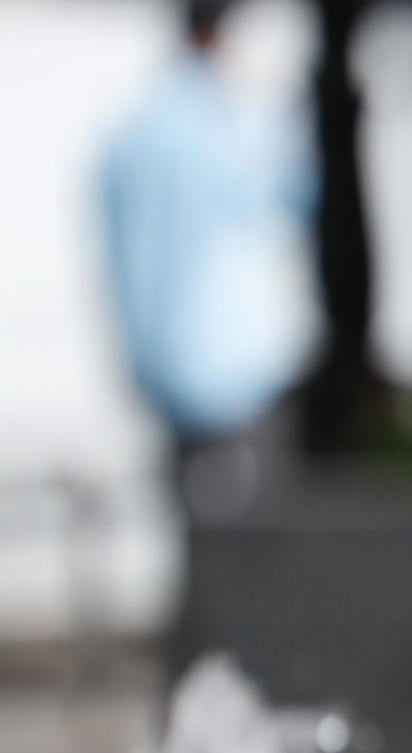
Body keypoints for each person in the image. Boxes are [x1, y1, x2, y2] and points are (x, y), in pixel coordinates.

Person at [101, 0, 316, 524]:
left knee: (198, 538)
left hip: (172, 372)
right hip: (246, 369)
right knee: (258, 543)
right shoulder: (238, 126)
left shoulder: (141, 129)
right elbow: (296, 202)